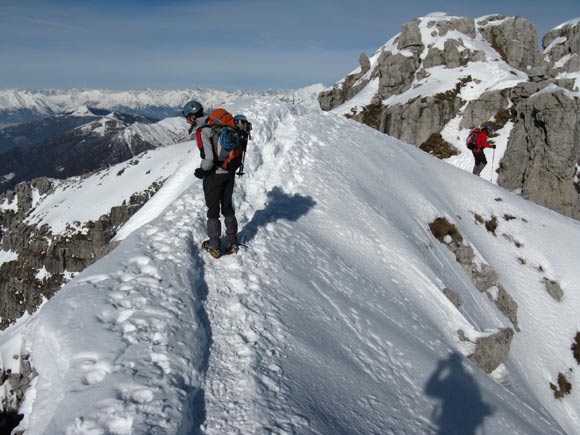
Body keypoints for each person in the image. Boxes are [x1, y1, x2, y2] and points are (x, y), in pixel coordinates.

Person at [182, 100, 239, 259]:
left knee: (213, 211)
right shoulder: (219, 125)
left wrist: (202, 171)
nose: (187, 120)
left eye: (187, 117)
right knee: (227, 207)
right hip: (229, 171)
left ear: (193, 117)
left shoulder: (203, 131)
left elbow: (209, 158)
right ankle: (232, 242)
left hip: (214, 175)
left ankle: (214, 245)